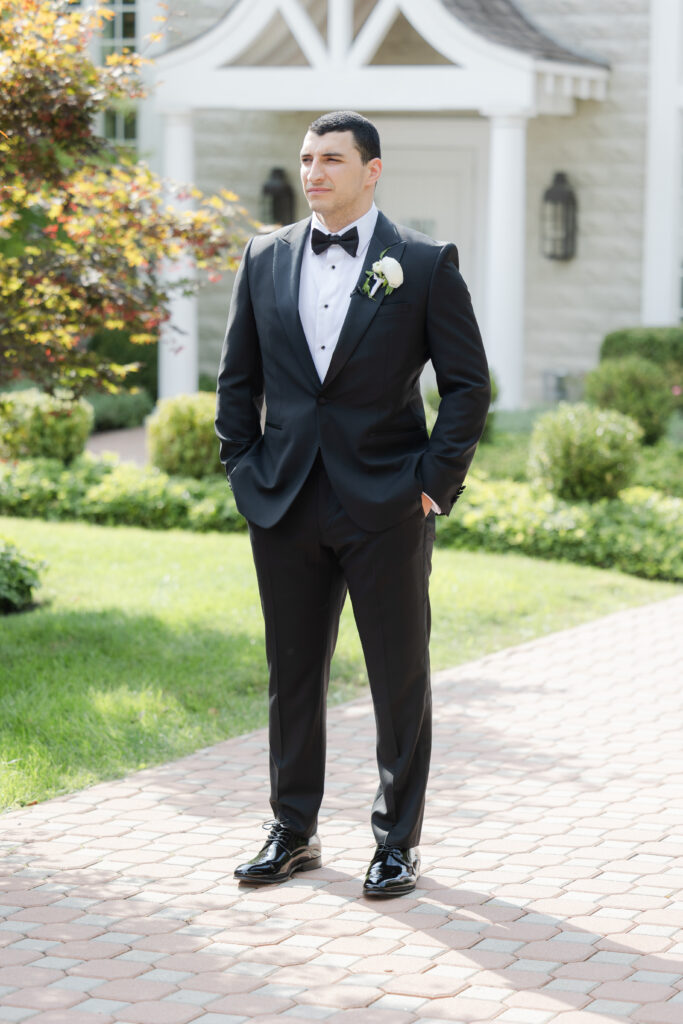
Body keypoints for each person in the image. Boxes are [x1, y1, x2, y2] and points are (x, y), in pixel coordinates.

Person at [215, 110, 490, 897]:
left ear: (372, 171)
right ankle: (291, 830)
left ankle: (396, 842)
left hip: (386, 504)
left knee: (397, 677)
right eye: (306, 159)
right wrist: (243, 466)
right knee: (290, 673)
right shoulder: (263, 257)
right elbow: (239, 381)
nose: (313, 172)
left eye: (331, 159)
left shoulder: (424, 263)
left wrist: (432, 480)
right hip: (285, 501)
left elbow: (466, 387)